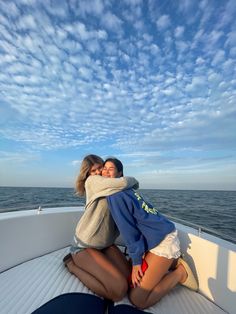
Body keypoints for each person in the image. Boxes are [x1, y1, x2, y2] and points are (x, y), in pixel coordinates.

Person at [102, 158, 198, 309]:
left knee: (138, 299)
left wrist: (137, 262)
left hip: (163, 241)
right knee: (130, 282)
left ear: (120, 173)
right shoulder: (127, 190)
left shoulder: (114, 195)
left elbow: (129, 231)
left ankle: (180, 272)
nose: (106, 171)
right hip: (157, 236)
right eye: (104, 168)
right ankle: (170, 263)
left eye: (111, 168)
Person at [64, 154, 139, 301]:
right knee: (118, 291)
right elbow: (124, 183)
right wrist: (135, 181)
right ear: (88, 174)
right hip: (84, 246)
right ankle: (71, 265)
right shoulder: (92, 182)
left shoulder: (110, 187)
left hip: (105, 245)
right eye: (94, 170)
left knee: (130, 279)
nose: (99, 173)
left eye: (101, 168)